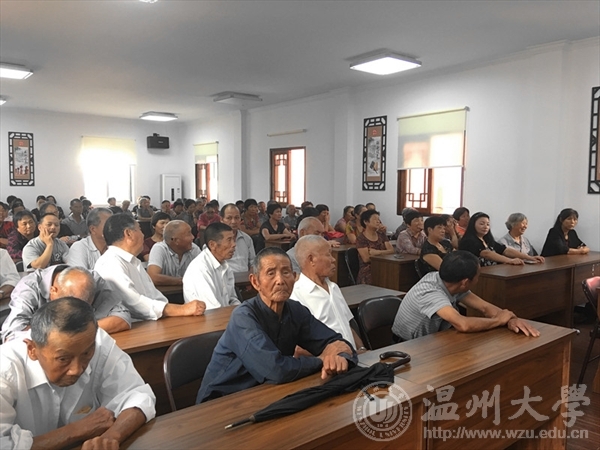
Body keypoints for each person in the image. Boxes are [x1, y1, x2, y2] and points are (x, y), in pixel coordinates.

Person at [196, 247, 357, 403]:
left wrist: (340, 357)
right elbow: (275, 369)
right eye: (271, 273)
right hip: (223, 400)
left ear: (294, 277)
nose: (280, 281)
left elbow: (337, 343)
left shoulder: (295, 310)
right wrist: (323, 360)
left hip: (268, 392)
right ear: (255, 282)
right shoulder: (243, 317)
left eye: (286, 272)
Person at [0, 298, 155, 449]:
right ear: (32, 350)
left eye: (87, 354)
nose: (77, 369)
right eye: (63, 359)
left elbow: (137, 396)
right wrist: (76, 430)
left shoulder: (96, 342)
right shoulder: (5, 369)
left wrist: (111, 437)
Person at [391, 251, 540, 341]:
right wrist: (498, 321)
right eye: (478, 275)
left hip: (434, 338)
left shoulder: (450, 281)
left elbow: (484, 307)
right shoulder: (430, 292)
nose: (479, 278)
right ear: (465, 282)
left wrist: (511, 319)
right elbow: (462, 324)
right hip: (408, 346)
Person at [94, 214, 205, 320]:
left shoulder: (133, 262)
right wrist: (182, 309)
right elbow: (135, 303)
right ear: (129, 234)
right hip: (133, 327)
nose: (143, 235)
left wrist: (176, 310)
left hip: (151, 321)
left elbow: (154, 296)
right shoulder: (110, 263)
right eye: (140, 230)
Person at [2, 265, 131, 341]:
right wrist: (73, 332)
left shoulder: (92, 280)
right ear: (53, 291)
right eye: (67, 307)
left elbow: (122, 319)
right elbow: (12, 335)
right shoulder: (28, 288)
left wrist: (71, 332)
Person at [291, 235, 364, 350]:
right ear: (311, 259)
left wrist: (361, 349)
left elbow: (346, 325)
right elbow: (298, 348)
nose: (333, 259)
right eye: (328, 254)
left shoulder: (334, 287)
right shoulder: (296, 296)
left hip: (352, 356)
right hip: (328, 358)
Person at [182, 223, 241, 309]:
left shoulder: (225, 266)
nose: (234, 244)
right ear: (212, 245)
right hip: (210, 316)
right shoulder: (200, 269)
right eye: (229, 240)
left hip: (224, 314)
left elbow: (232, 299)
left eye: (233, 239)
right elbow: (212, 309)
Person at [458, 212, 544, 266]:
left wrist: (530, 258)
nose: (485, 227)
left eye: (488, 224)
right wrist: (510, 260)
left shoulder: (488, 240)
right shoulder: (469, 240)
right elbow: (486, 254)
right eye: (482, 224)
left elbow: (505, 250)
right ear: (473, 225)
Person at [147, 220, 200, 286]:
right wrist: (183, 281)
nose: (193, 237)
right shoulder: (159, 249)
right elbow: (153, 277)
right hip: (164, 292)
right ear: (176, 240)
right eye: (189, 234)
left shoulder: (194, 249)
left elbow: (204, 274)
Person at [356, 209, 394, 284]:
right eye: (374, 219)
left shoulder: (381, 234)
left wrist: (376, 252)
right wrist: (385, 253)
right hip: (369, 270)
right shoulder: (361, 238)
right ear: (366, 222)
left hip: (384, 266)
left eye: (378, 219)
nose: (378, 221)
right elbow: (366, 259)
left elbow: (392, 251)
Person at [219, 203, 255, 273]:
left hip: (245, 277)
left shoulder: (246, 238)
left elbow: (253, 262)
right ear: (221, 219)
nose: (233, 222)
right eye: (229, 218)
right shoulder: (215, 240)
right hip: (225, 277)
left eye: (237, 218)